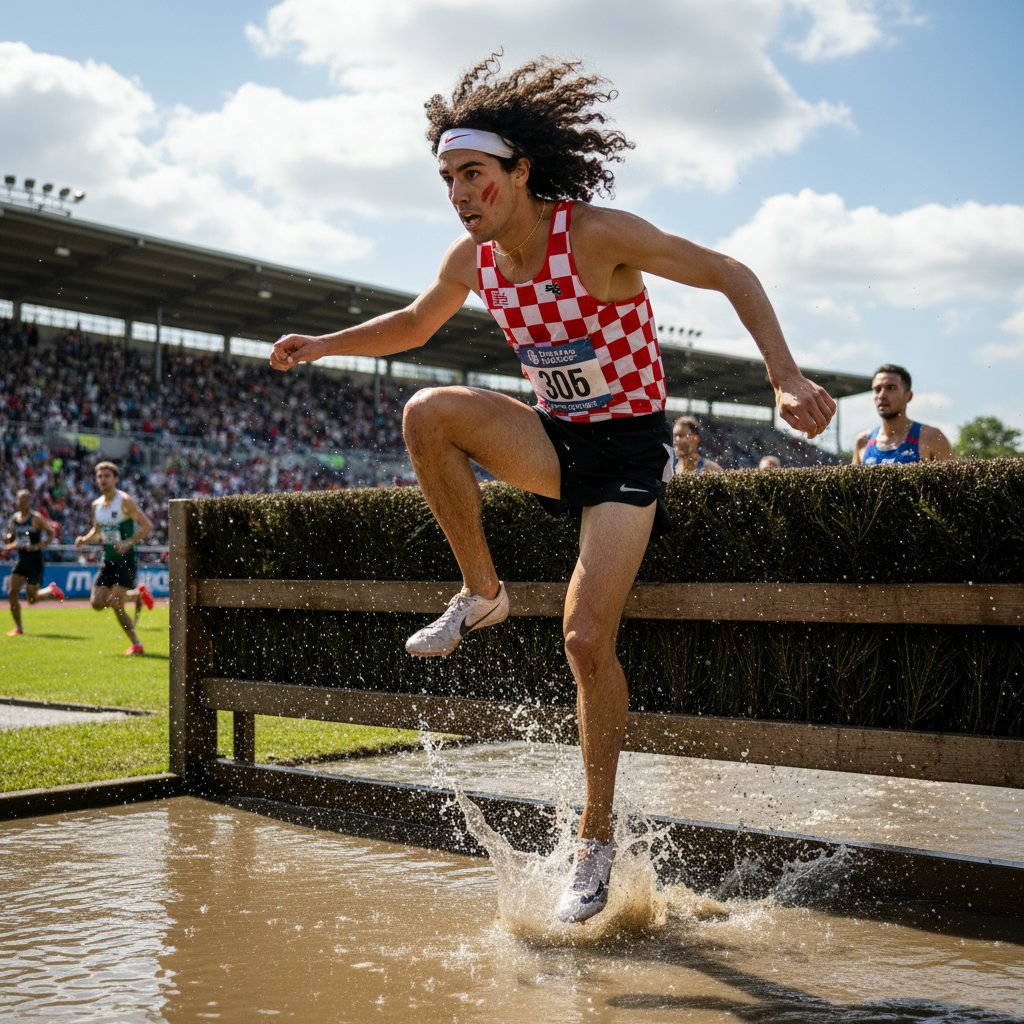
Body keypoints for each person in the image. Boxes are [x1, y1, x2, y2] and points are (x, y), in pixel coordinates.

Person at [270, 54, 835, 924]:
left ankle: (595, 840)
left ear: (519, 170)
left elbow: (731, 273)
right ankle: (482, 592)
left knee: (581, 639)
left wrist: (785, 378)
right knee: (428, 412)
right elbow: (417, 324)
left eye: (475, 175)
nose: (461, 193)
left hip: (627, 456)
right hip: (555, 440)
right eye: (449, 178)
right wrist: (324, 344)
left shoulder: (596, 235)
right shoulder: (475, 257)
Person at [74, 461, 155, 655]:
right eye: (99, 476)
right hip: (108, 560)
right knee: (97, 603)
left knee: (116, 603)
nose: (102, 480)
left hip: (126, 559)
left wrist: (129, 542)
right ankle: (138, 595)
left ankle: (136, 644)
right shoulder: (96, 505)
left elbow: (147, 526)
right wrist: (84, 540)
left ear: (115, 479)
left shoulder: (124, 501)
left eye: (107, 476)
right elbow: (97, 530)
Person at [852, 364, 955, 465]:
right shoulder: (863, 441)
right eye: (877, 389)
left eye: (891, 388)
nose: (882, 395)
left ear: (908, 396)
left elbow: (955, 481)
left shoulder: (932, 437)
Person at [5, 489, 65, 635]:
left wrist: (40, 546)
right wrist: (10, 539)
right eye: (20, 499)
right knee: (12, 593)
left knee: (31, 599)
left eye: (25, 499)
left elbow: (51, 533)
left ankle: (51, 590)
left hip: (35, 562)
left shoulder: (36, 517)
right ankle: (19, 628)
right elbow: (12, 536)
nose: (22, 502)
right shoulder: (14, 519)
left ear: (30, 502)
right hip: (21, 560)